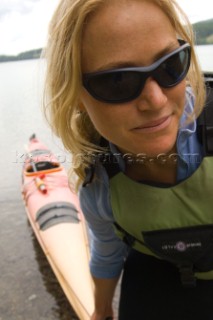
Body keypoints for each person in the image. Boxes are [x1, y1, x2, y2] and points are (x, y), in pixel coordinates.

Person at [43, 0, 213, 319]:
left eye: (170, 65)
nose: (156, 100)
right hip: (154, 272)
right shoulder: (99, 184)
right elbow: (108, 253)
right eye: (118, 80)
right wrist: (102, 311)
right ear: (75, 95)